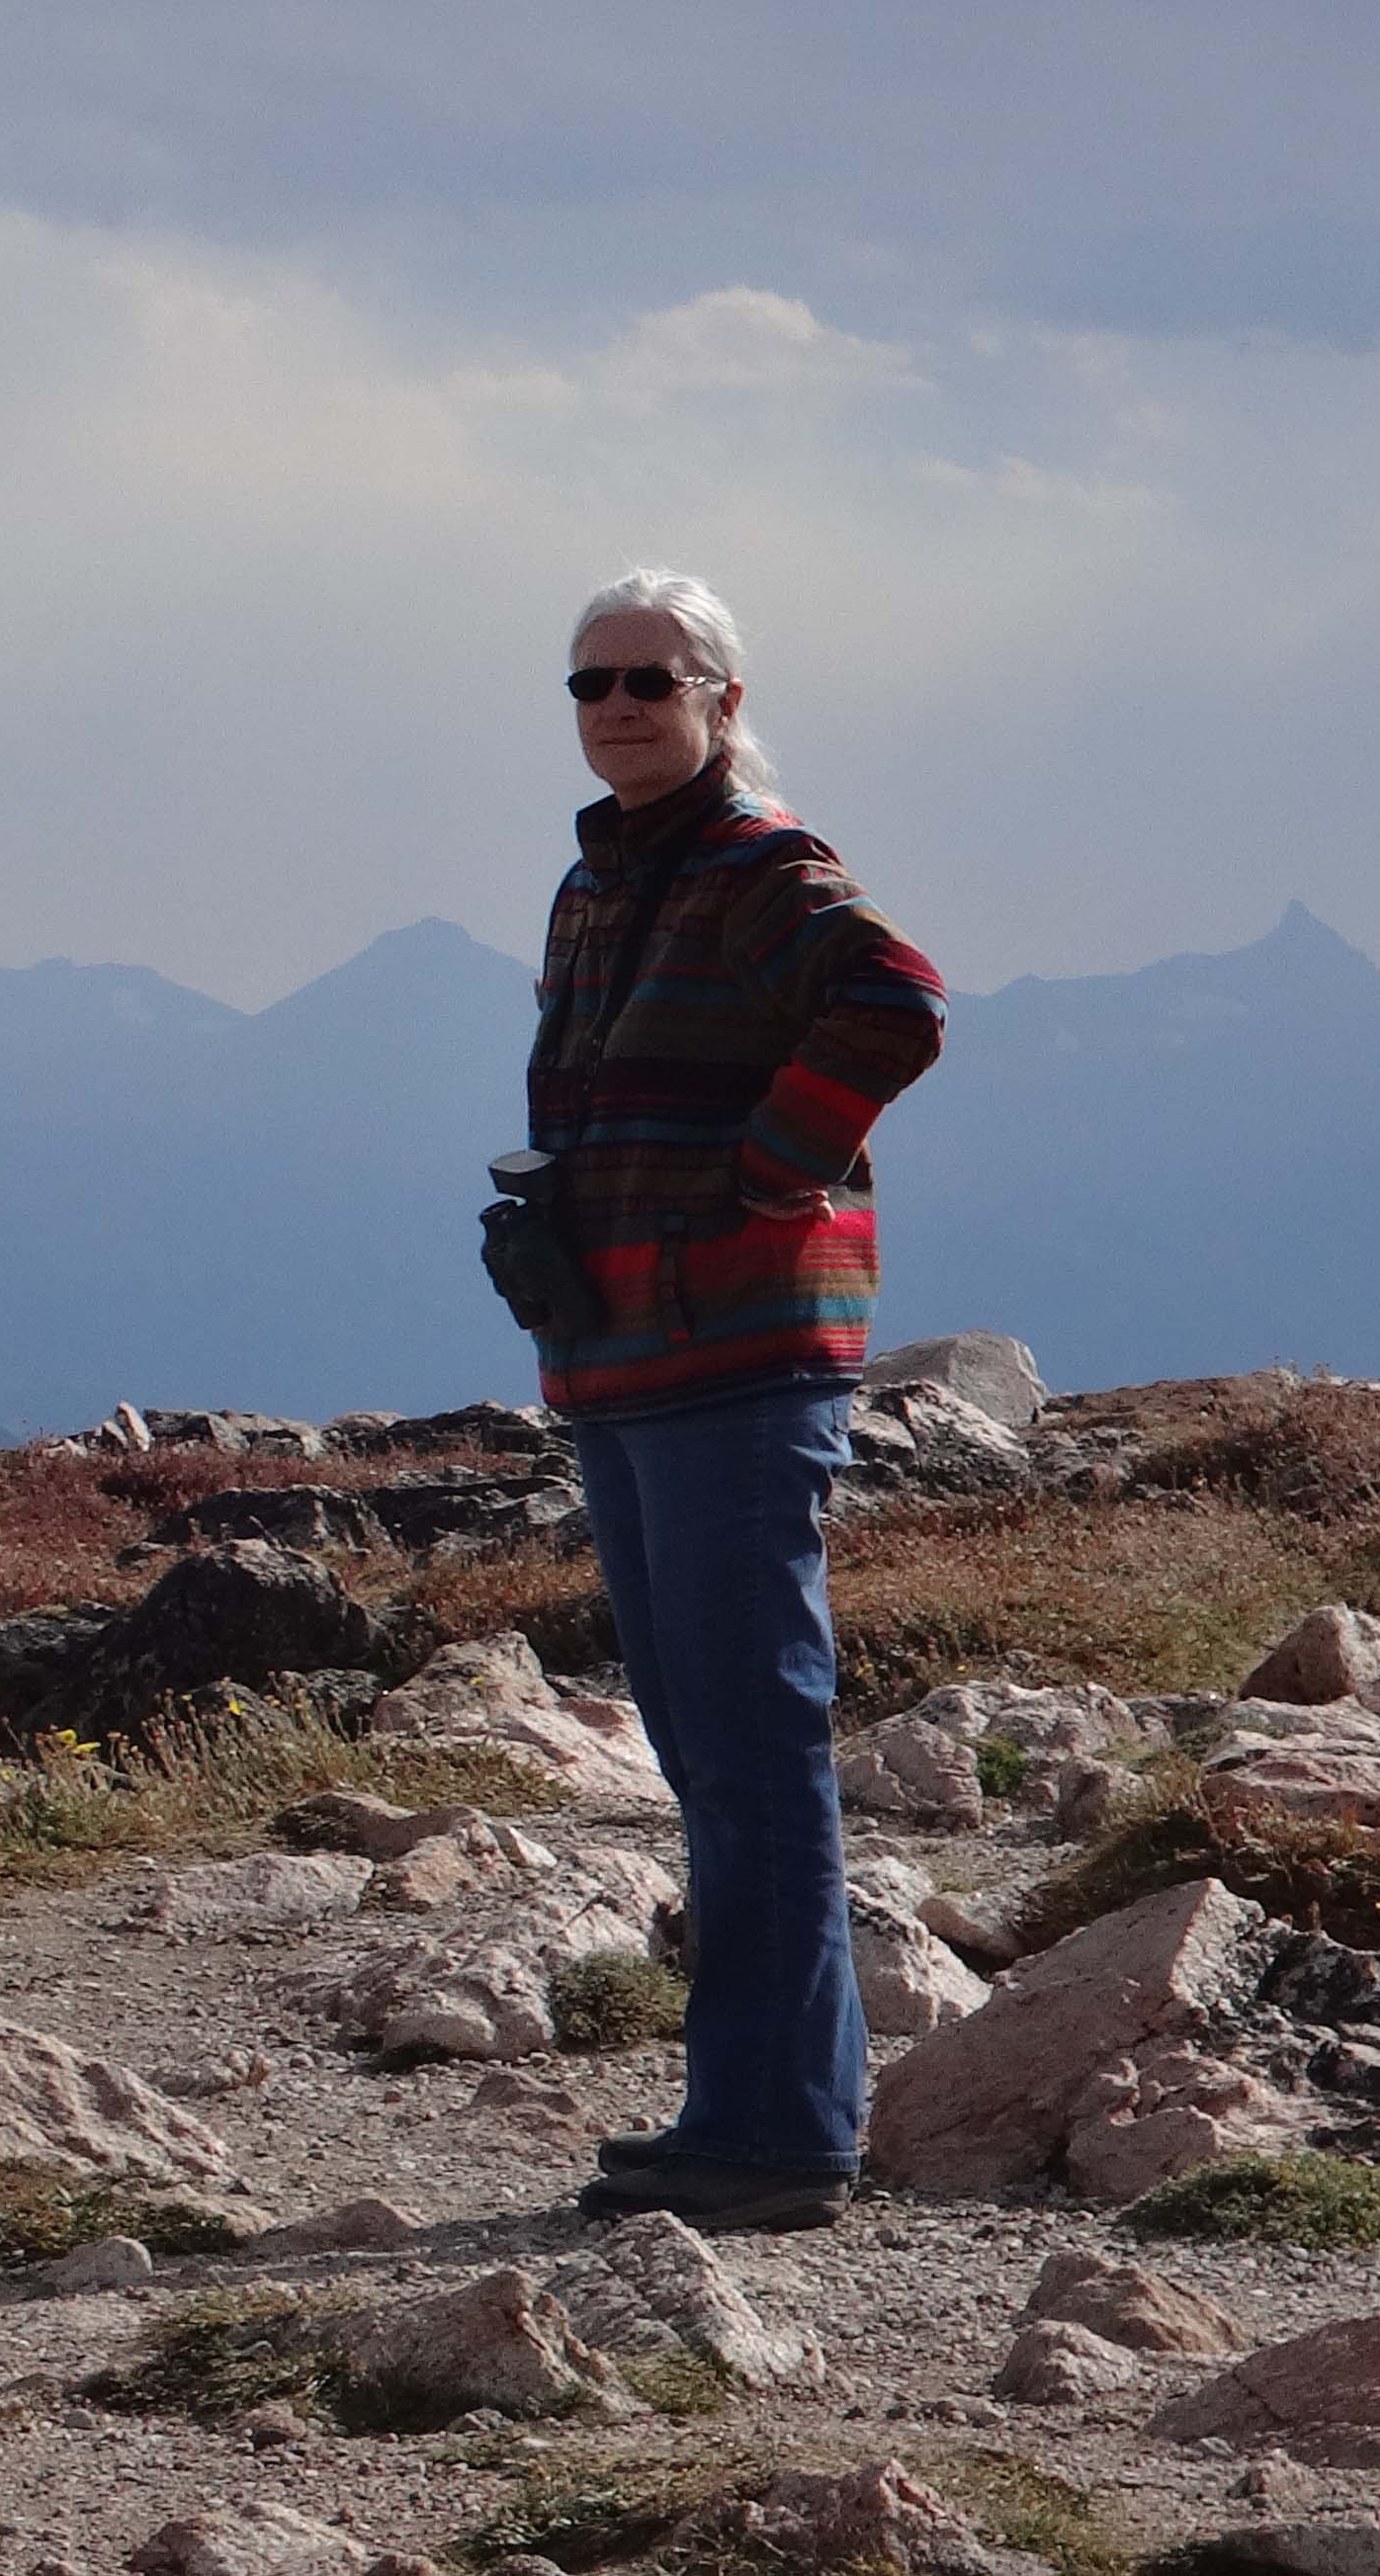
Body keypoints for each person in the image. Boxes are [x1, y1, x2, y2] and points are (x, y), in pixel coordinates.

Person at [516, 566, 946, 2230]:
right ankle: (750, 2104)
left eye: (652, 676)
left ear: (723, 701)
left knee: (753, 1744)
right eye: (589, 683)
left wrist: (771, 1171)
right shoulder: (604, 879)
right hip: (622, 1358)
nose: (618, 704)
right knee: (704, 1743)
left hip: (736, 1361)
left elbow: (895, 999)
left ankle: (776, 2132)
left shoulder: (763, 865)